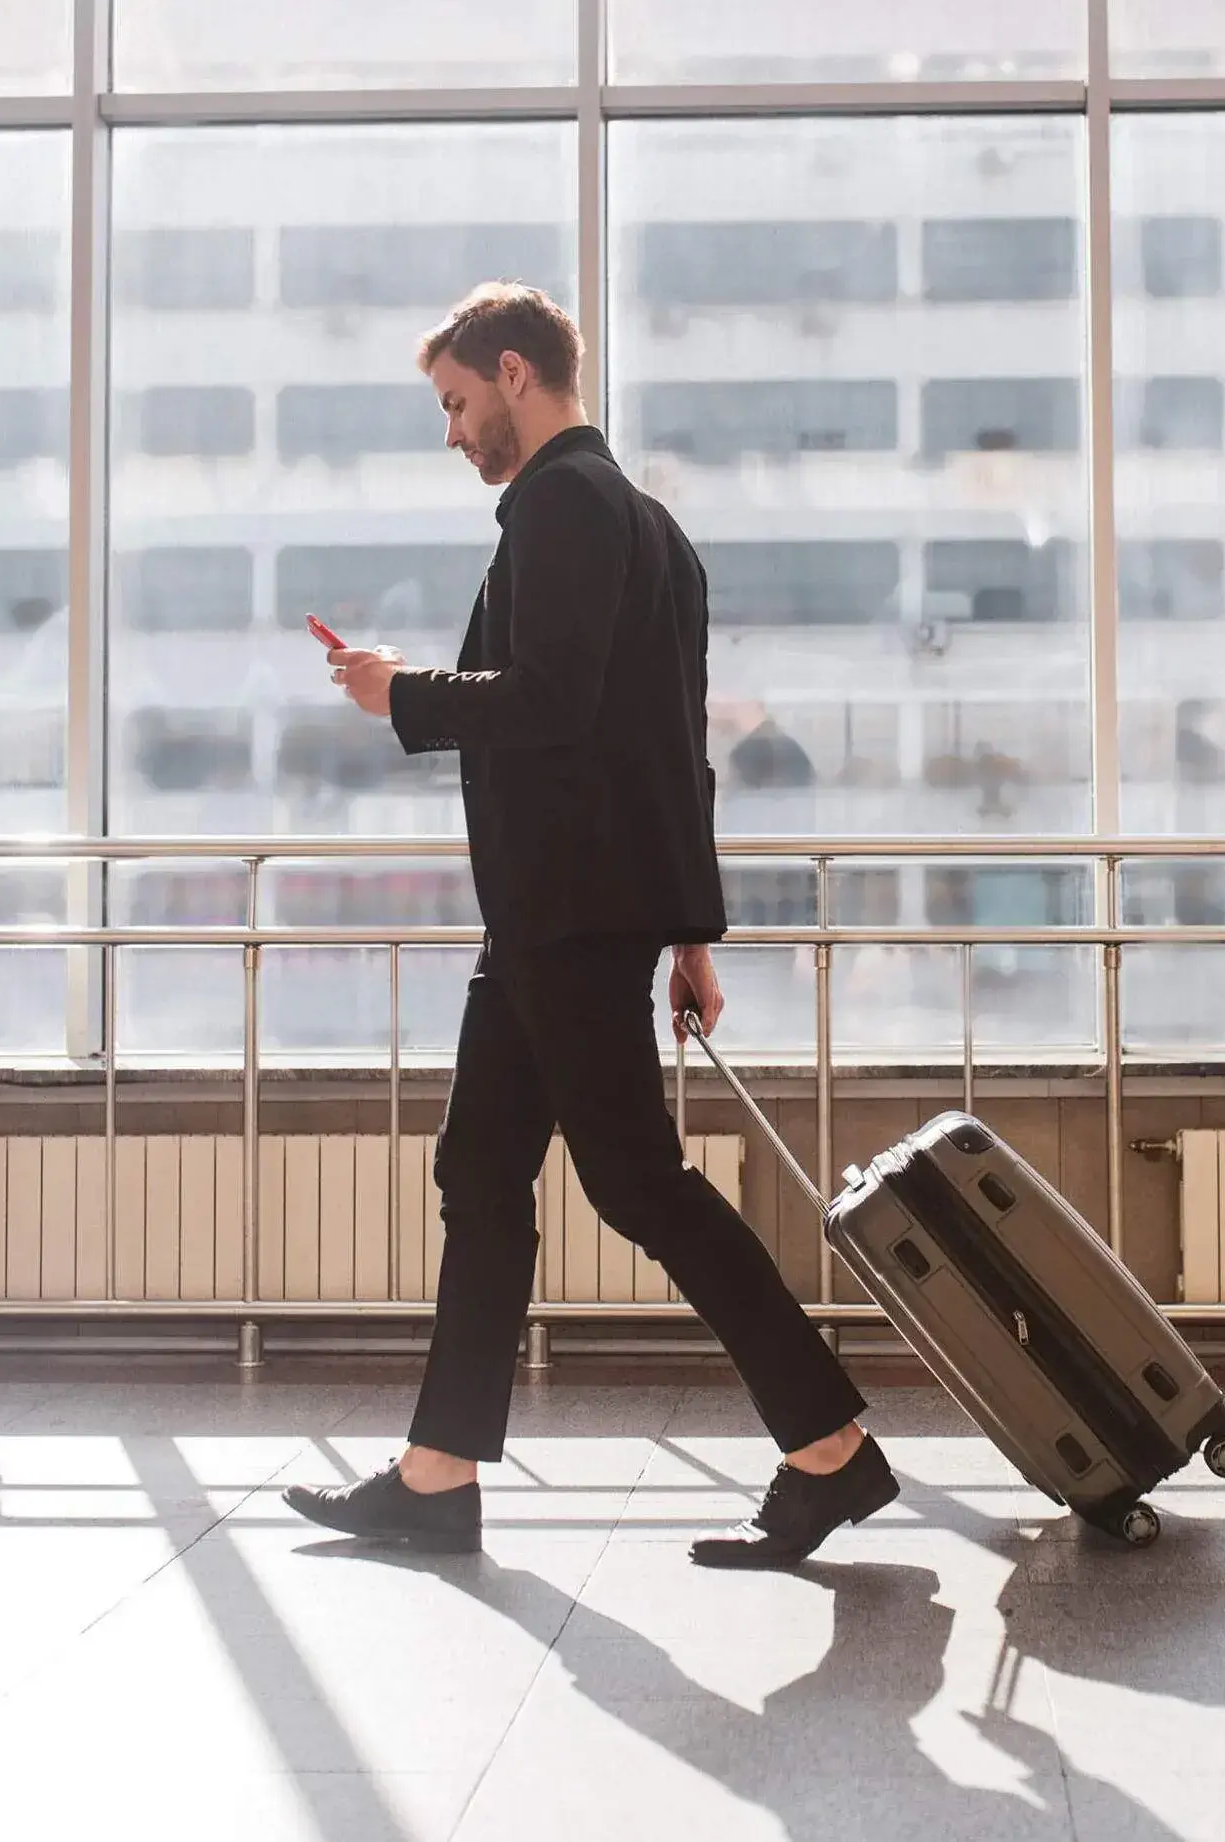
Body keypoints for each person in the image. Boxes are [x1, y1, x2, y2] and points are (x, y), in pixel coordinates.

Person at [281, 283, 894, 1567]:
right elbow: (666, 747)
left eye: (456, 403)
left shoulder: (562, 505)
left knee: (639, 1184)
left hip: (564, 915)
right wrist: (689, 934)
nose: (452, 432)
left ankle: (829, 1446)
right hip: (572, 916)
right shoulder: (653, 527)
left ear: (515, 372)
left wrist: (401, 693)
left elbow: (551, 705)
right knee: (482, 1174)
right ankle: (438, 1474)